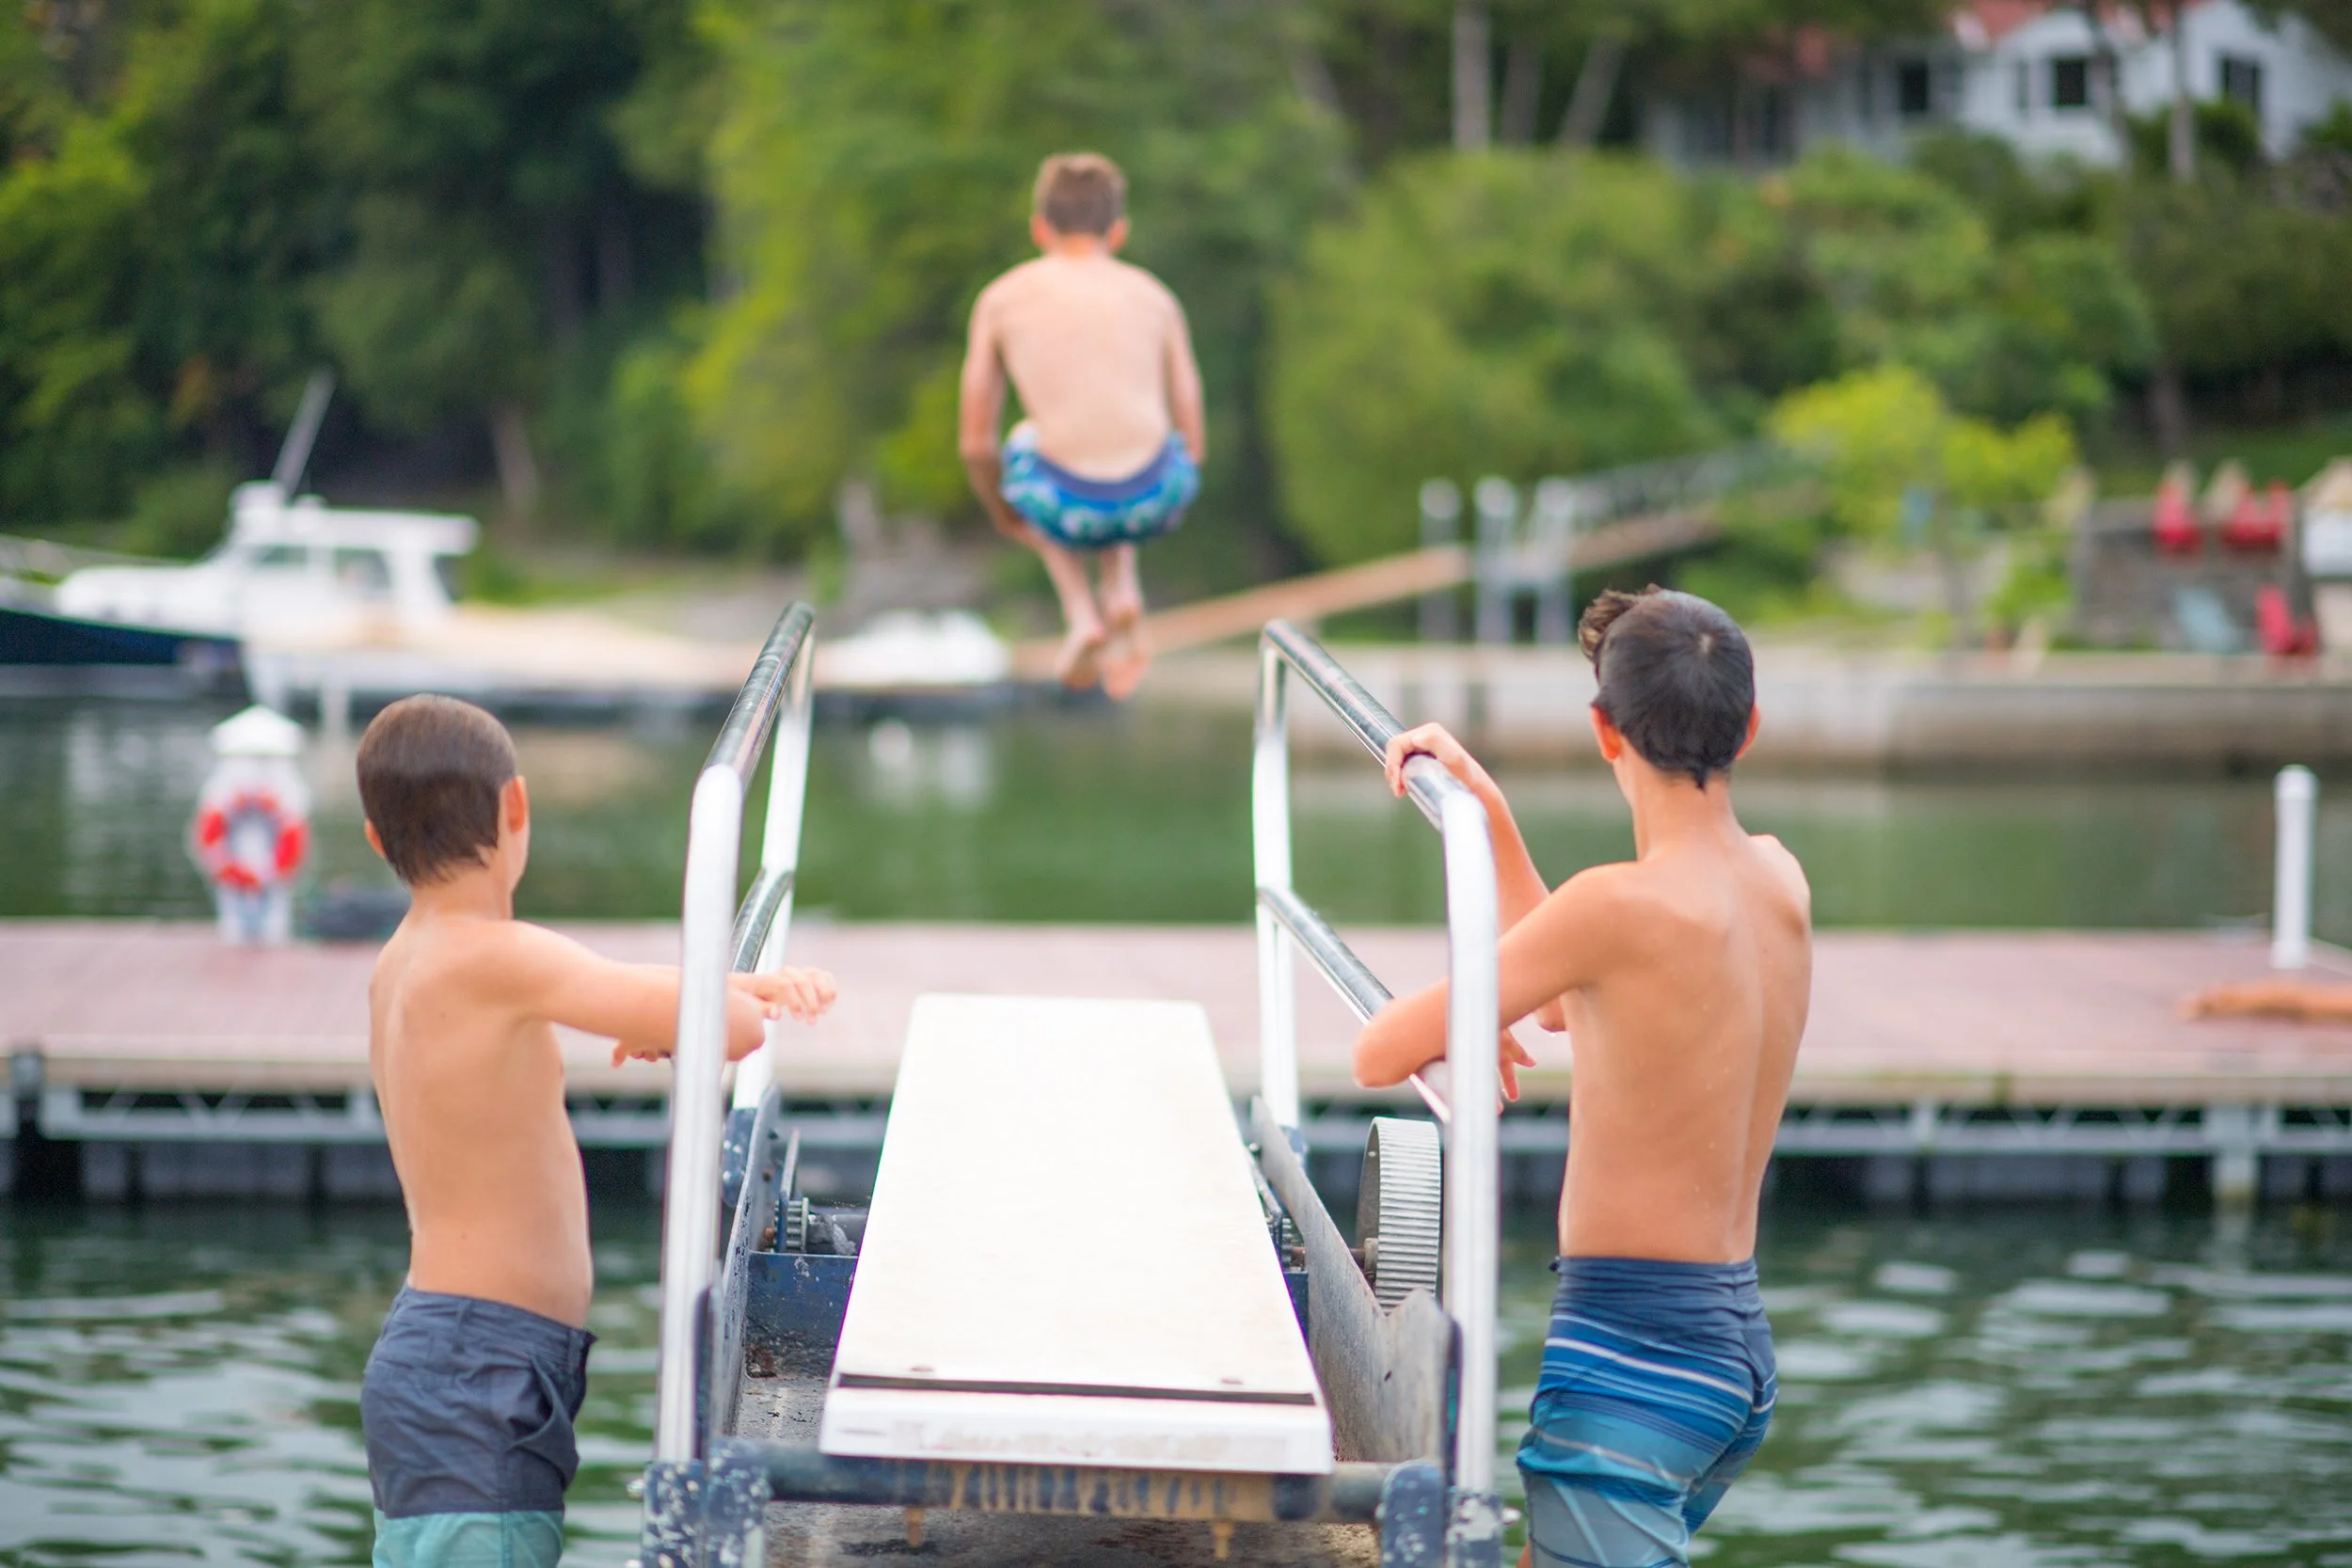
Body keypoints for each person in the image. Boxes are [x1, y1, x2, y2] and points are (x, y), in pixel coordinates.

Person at [1353, 588, 1810, 1568]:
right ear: (1750, 725)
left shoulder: (1613, 908)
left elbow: (1378, 1049)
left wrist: (1470, 1014)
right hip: (1732, 1352)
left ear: (1604, 730)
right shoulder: (1779, 878)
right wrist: (1488, 813)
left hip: (1629, 1356)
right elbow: (1569, 998)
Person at [354, 694, 836, 1568]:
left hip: (459, 1359)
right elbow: (724, 1032)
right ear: (517, 808)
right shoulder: (496, 955)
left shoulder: (410, 960)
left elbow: (620, 983)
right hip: (478, 1370)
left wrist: (724, 990)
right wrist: (728, 1005)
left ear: (377, 840)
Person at [958, 151, 1205, 699]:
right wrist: (1176, 489)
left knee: (1031, 438)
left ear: (1039, 228)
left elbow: (976, 443)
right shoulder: (1156, 297)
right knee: (1132, 440)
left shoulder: (1001, 299)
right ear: (1118, 232)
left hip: (1062, 506)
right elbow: (1192, 428)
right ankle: (1121, 585)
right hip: (1156, 496)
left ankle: (1081, 613)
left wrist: (1006, 514)